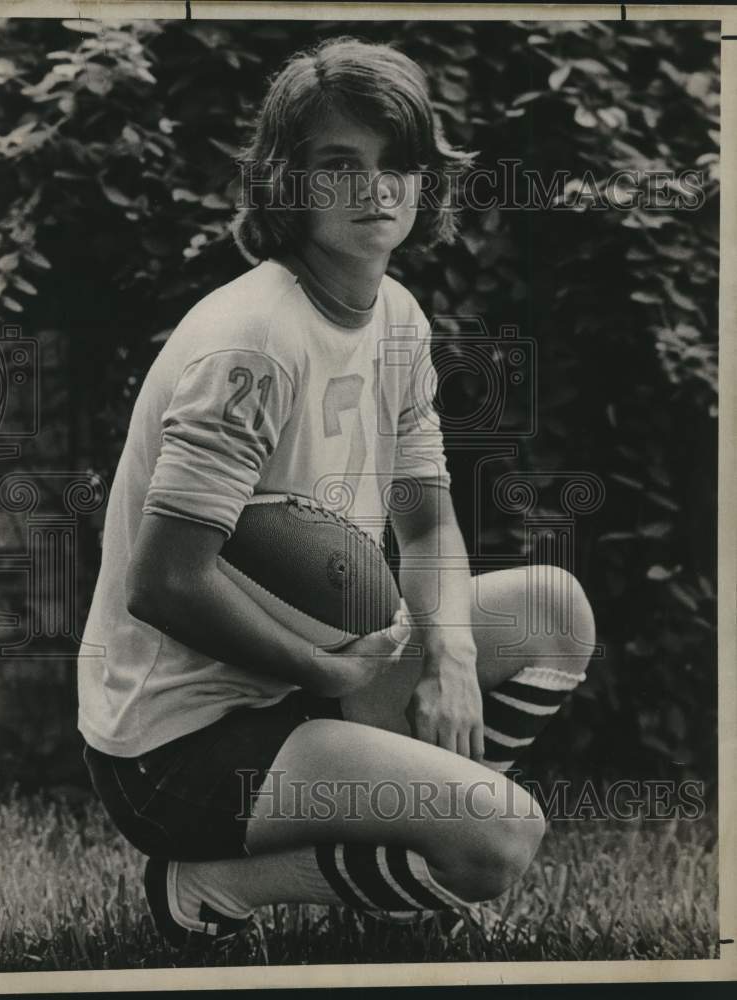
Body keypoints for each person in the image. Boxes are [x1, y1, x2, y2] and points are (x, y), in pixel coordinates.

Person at [77, 36, 596, 951]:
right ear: (286, 180)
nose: (375, 188)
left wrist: (449, 658)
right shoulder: (251, 340)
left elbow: (426, 523)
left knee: (552, 609)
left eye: (398, 163)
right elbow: (163, 583)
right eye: (338, 164)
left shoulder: (396, 317)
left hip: (301, 683)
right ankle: (211, 883)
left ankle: (418, 835)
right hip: (179, 746)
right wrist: (323, 673)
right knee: (500, 839)